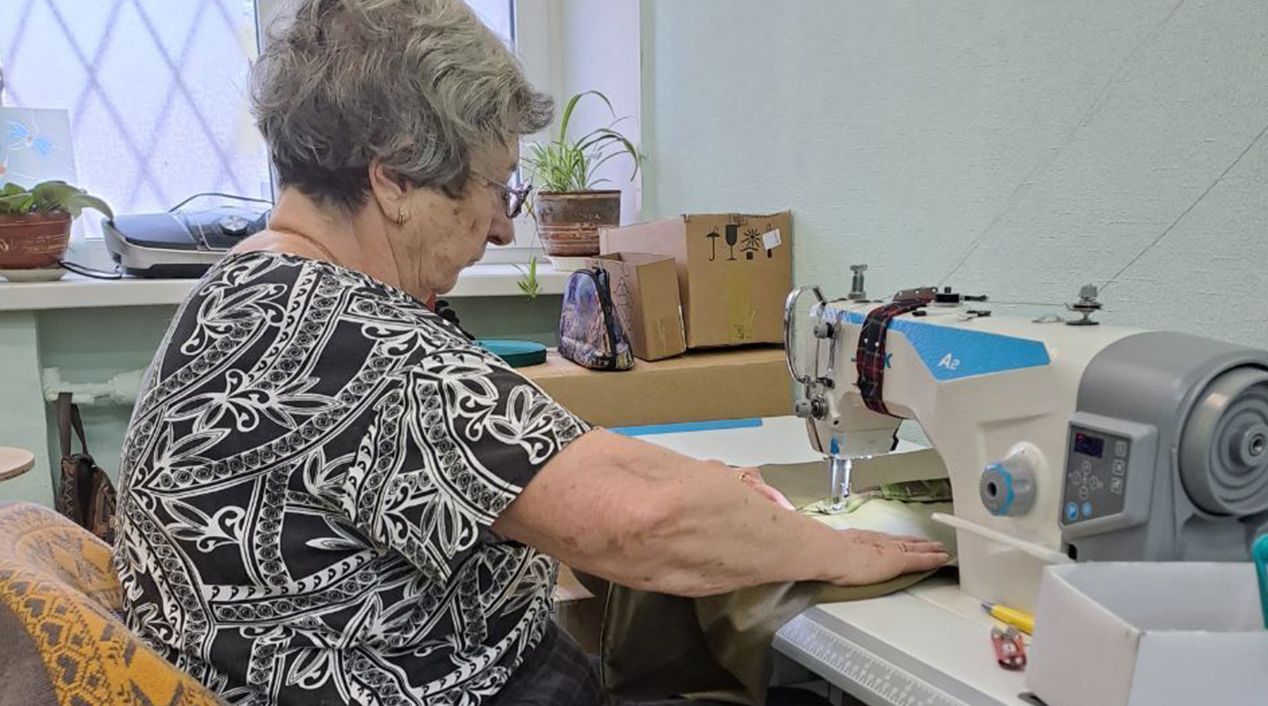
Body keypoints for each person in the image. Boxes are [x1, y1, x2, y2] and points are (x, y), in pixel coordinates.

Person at [112, 1, 948, 704]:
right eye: (494, 187)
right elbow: (642, 526)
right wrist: (840, 547)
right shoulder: (352, 338)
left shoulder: (248, 291)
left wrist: (697, 484)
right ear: (395, 179)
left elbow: (539, 457)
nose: (508, 227)